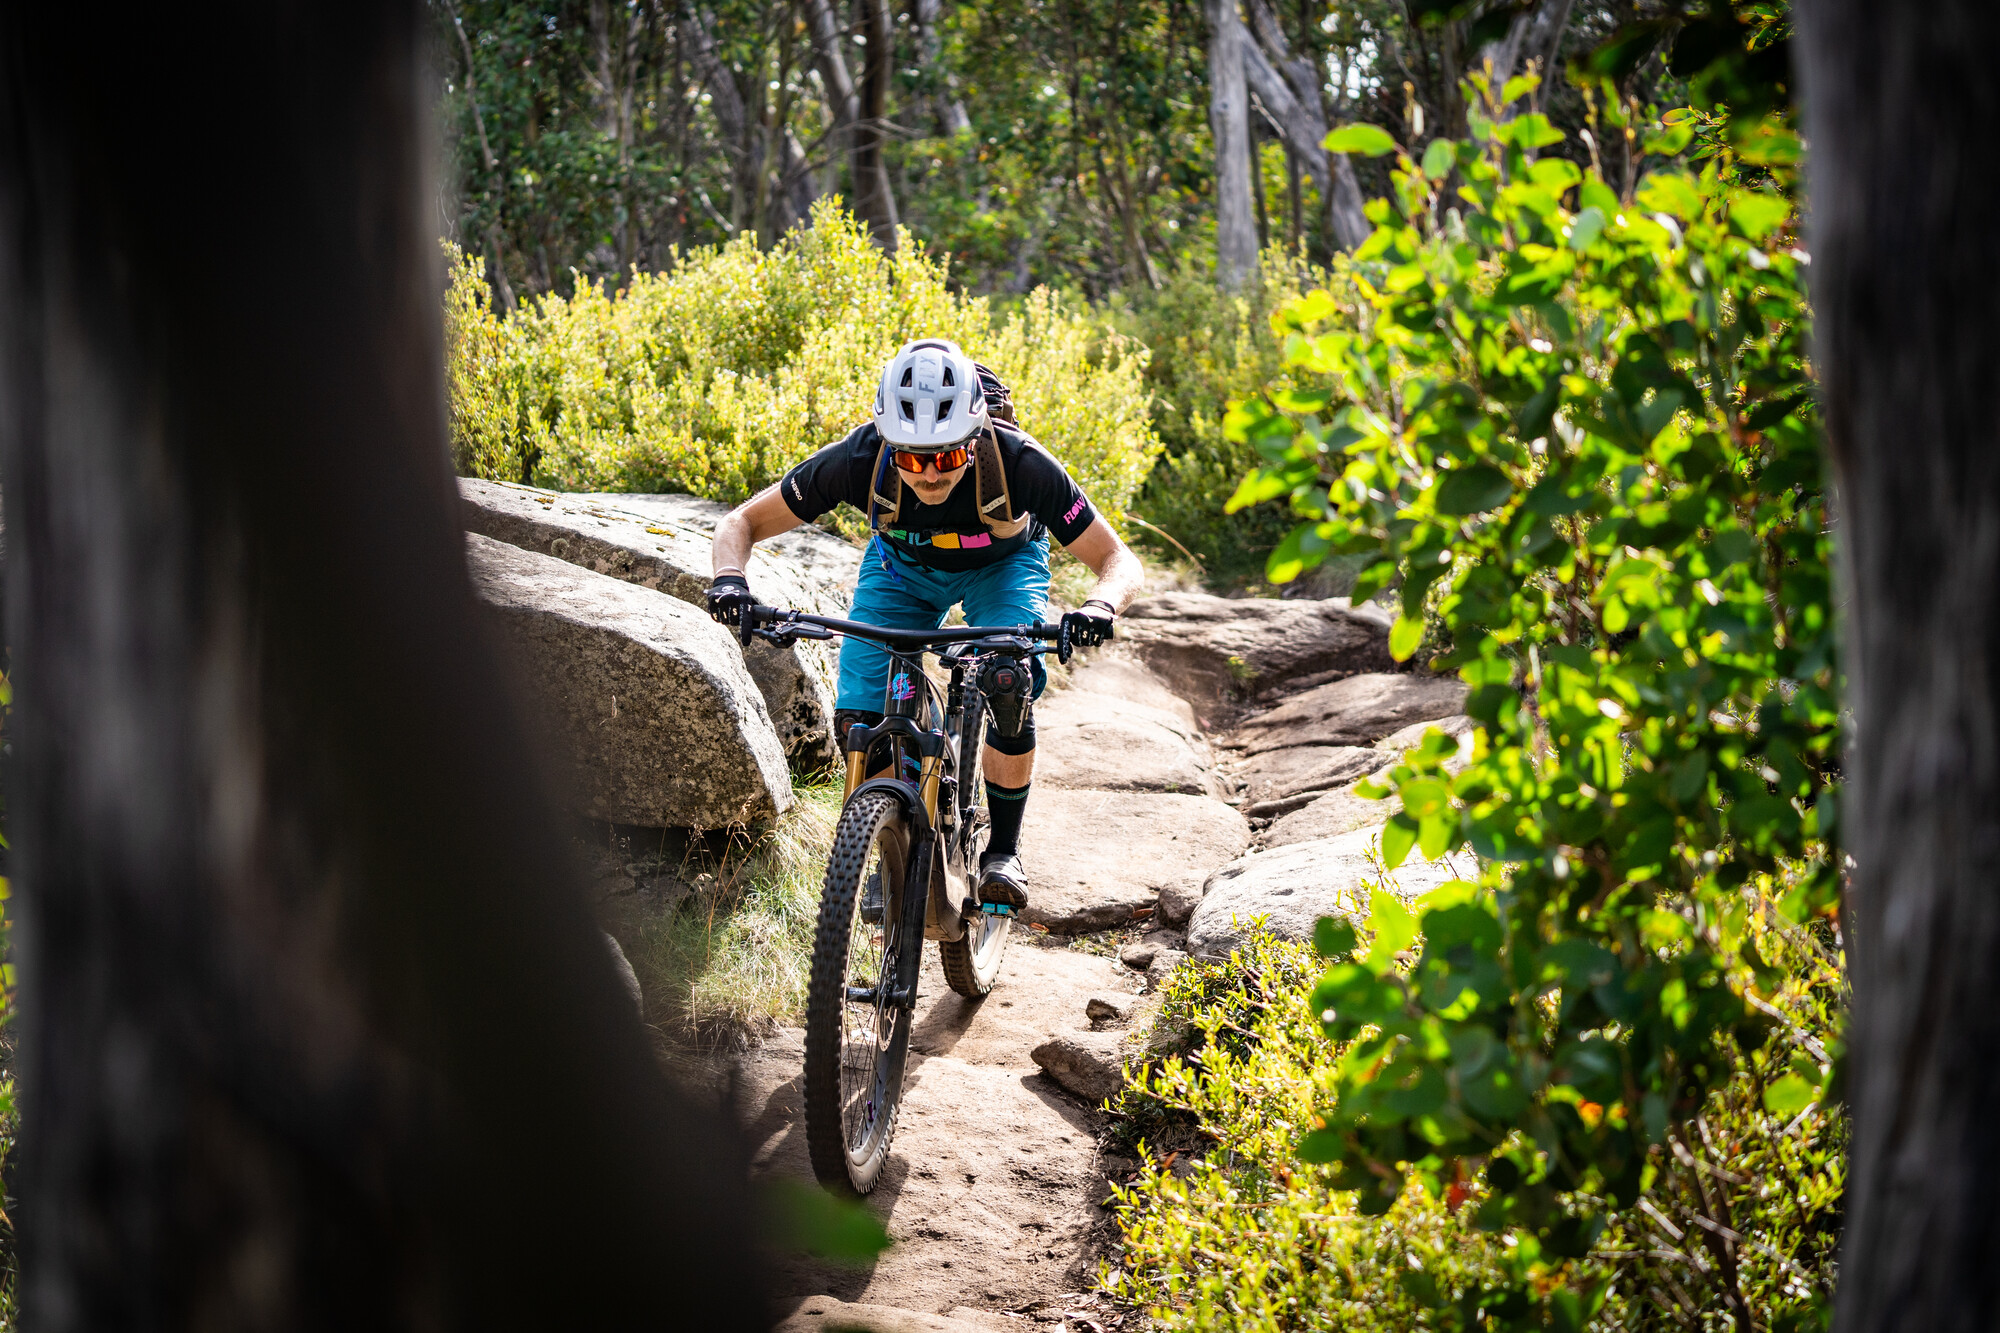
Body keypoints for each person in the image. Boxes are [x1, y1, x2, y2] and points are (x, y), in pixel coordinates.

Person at [704, 338, 1145, 909]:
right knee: (860, 717)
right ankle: (885, 839)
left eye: (948, 457)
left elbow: (1118, 560)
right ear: (890, 444)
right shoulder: (859, 459)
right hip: (901, 570)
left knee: (1008, 681)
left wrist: (1099, 607)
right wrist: (730, 581)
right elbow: (740, 523)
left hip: (1003, 569)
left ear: (973, 440)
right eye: (912, 459)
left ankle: (1003, 854)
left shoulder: (1020, 463)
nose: (930, 474)